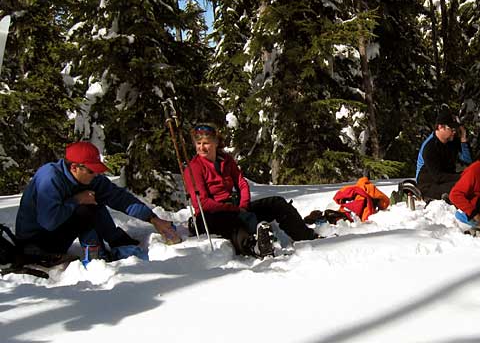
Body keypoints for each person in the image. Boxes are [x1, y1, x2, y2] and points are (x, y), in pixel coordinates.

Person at [14, 141, 180, 264]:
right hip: (37, 243)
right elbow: (48, 221)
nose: (95, 175)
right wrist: (77, 200)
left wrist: (153, 219)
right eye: (91, 170)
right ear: (74, 168)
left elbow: (119, 198)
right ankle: (94, 257)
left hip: (56, 233)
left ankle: (116, 242)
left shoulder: (88, 178)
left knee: (93, 200)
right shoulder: (50, 179)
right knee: (85, 207)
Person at [184, 122, 315, 256]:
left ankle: (306, 237)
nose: (201, 148)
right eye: (198, 144)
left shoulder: (226, 160)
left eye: (206, 143)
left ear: (216, 142)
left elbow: (241, 183)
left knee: (277, 203)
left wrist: (243, 205)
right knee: (234, 223)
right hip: (210, 215)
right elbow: (203, 203)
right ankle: (254, 246)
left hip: (235, 207)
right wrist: (235, 210)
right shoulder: (193, 168)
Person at [415, 105, 472, 201]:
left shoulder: (452, 141)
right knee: (463, 187)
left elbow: (467, 160)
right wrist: (462, 177)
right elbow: (438, 176)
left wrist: (463, 140)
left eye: (456, 129)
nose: (454, 132)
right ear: (440, 127)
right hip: (428, 184)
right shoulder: (430, 147)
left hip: (446, 180)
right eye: (452, 129)